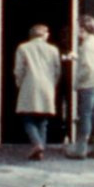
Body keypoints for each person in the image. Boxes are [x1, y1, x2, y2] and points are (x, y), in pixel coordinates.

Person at [13, 23, 60, 161]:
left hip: (29, 84)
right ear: (44, 35)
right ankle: (40, 150)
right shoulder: (53, 50)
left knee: (28, 118)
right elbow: (57, 70)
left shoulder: (23, 48)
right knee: (43, 121)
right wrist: (53, 84)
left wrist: (19, 83)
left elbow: (19, 69)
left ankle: (37, 144)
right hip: (47, 85)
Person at [66, 14, 94, 159]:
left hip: (88, 85)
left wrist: (77, 81)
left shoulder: (87, 45)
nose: (76, 30)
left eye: (78, 27)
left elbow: (88, 68)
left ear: (83, 28)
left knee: (84, 116)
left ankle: (80, 150)